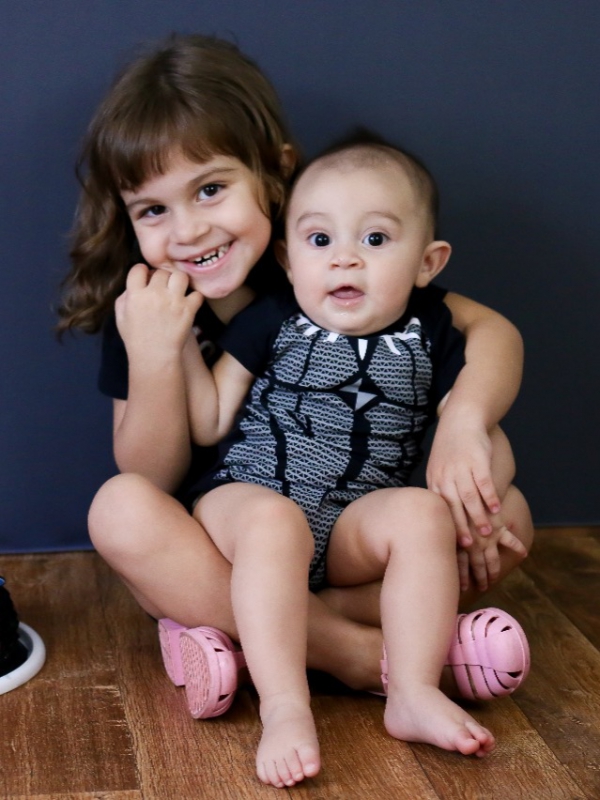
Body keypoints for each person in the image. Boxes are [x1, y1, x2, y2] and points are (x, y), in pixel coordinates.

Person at [56, 34, 533, 784]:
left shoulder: (329, 264)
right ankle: (360, 657)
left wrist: (467, 430)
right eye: (153, 209)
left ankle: (247, 645)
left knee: (509, 515)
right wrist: (156, 353)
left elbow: (489, 333)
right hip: (217, 549)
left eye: (210, 190)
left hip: (347, 540)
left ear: (274, 172)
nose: (188, 231)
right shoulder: (148, 307)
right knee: (120, 508)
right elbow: (151, 472)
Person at [180, 133, 530, 784]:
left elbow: (482, 433)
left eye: (374, 239)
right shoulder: (272, 316)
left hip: (350, 525)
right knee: (273, 523)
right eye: (320, 240)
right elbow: (208, 419)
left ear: (427, 262)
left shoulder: (431, 328)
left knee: (424, 514)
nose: (344, 258)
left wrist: (478, 500)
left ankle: (411, 692)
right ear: (288, 260)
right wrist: (169, 342)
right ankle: (285, 706)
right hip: (250, 497)